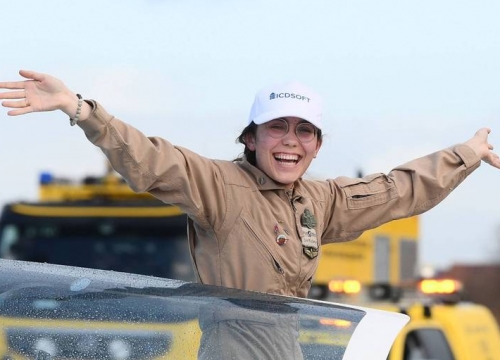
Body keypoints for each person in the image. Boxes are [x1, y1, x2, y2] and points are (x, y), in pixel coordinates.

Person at [1, 70, 499, 299]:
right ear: (251, 138)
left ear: (317, 145)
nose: (291, 141)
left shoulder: (319, 200)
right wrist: (81, 110)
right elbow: (151, 159)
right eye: (277, 127)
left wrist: (466, 155)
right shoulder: (219, 186)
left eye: (304, 130)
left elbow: (397, 190)